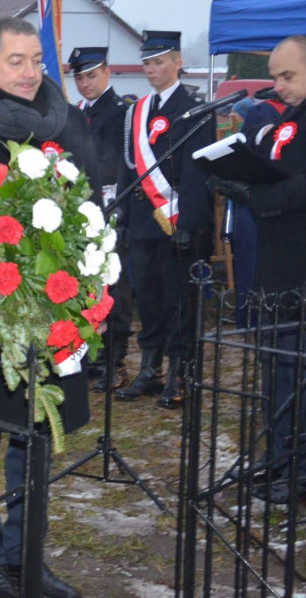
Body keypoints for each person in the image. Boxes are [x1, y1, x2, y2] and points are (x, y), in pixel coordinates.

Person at [0, 19, 97, 598]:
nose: (31, 72)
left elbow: (92, 197)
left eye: (36, 60)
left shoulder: (67, 119)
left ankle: (26, 559)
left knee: (36, 439)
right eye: (16, 61)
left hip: (54, 309)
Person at [211, 35, 306, 505]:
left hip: (301, 268)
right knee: (275, 368)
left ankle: (301, 469)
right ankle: (279, 454)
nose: (278, 85)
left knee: (297, 370)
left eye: (288, 75)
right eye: (274, 75)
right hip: (275, 264)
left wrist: (254, 195)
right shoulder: (287, 119)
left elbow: (299, 189)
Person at [116, 31, 214, 408]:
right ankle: (151, 369)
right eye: (146, 63)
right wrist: (123, 215)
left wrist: (189, 222)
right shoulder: (138, 111)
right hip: (143, 218)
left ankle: (180, 372)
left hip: (176, 219)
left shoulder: (194, 108)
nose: (151, 69)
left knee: (179, 300)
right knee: (151, 300)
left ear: (177, 63)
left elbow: (195, 171)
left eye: (158, 62)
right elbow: (130, 169)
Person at [69, 46, 134, 391]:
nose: (85, 84)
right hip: (84, 207)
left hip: (111, 206)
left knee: (115, 284)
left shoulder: (120, 112)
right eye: (79, 77)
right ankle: (94, 354)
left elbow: (113, 163)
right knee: (89, 281)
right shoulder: (79, 111)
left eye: (91, 75)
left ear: (107, 73)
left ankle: (116, 360)